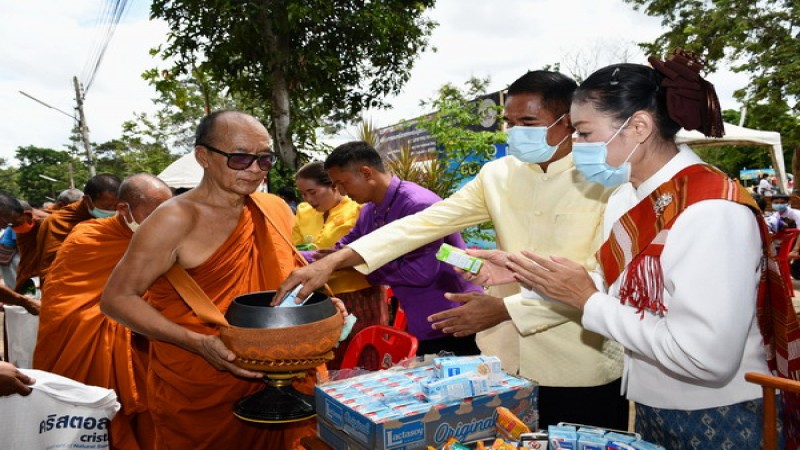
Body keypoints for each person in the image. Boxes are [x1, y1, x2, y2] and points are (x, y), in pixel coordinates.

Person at [277, 71, 626, 429]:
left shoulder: (606, 179)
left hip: (579, 362)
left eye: (528, 122)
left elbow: (603, 280)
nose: (516, 131)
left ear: (567, 122)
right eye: (510, 122)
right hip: (505, 361)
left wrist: (506, 309)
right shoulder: (498, 175)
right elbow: (423, 224)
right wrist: (335, 260)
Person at [507, 56, 800, 448]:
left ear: (639, 126)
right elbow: (617, 291)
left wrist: (588, 300)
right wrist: (526, 274)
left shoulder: (711, 211)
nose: (574, 147)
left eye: (584, 133)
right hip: (652, 402)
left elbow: (706, 358)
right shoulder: (627, 196)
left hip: (717, 414)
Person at [101, 110, 322, 449]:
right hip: (201, 380)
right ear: (203, 156)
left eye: (264, 160)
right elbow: (117, 299)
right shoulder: (173, 219)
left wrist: (319, 307)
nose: (254, 170)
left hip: (281, 373)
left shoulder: (272, 208)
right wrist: (198, 344)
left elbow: (286, 283)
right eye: (240, 158)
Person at [287, 141, 482, 356]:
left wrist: (352, 264)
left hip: (451, 314)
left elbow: (420, 273)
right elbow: (340, 251)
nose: (340, 191)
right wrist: (290, 254)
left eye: (343, 183)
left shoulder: (417, 204)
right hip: (419, 315)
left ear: (366, 173)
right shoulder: (370, 210)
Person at [34, 173, 172, 450]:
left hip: (145, 350)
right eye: (155, 214)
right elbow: (64, 305)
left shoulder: (164, 240)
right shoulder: (86, 238)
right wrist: (125, 317)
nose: (165, 221)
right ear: (124, 209)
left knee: (150, 428)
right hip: (92, 344)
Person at [292, 161, 387, 368]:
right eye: (303, 194)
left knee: (363, 354)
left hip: (360, 294)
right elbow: (293, 247)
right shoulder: (303, 212)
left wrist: (316, 257)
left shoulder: (358, 210)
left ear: (334, 186)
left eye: (313, 192)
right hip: (321, 296)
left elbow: (368, 251)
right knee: (329, 357)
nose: (308, 200)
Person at [35, 174, 121, 285]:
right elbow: (51, 268)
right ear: (87, 200)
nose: (114, 211)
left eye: (117, 206)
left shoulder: (123, 216)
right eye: (108, 207)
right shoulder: (58, 222)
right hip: (74, 286)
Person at [0, 195, 49, 293]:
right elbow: (22, 248)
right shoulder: (18, 222)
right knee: (18, 285)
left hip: (10, 255)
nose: (6, 226)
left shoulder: (29, 220)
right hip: (10, 256)